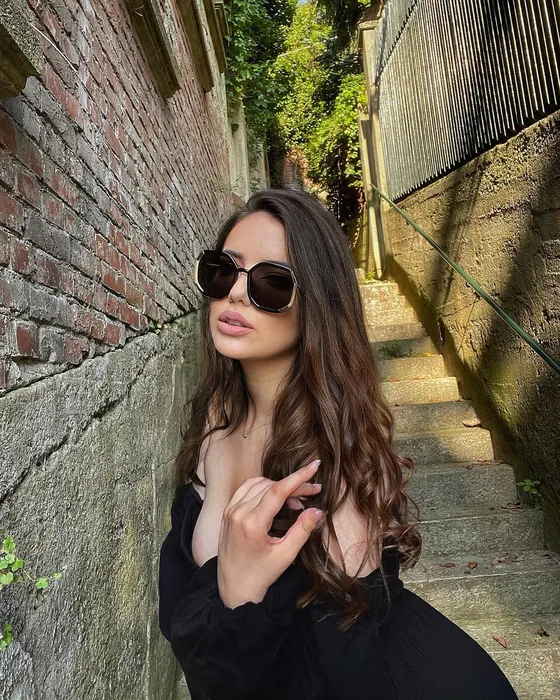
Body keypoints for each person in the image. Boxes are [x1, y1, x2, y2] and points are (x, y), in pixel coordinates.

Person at [158, 188, 519, 699]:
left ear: (319, 305)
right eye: (223, 271)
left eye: (271, 283)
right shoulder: (217, 414)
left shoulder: (329, 459)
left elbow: (348, 672)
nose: (235, 293)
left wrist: (238, 594)